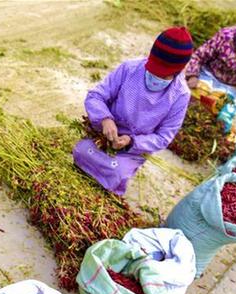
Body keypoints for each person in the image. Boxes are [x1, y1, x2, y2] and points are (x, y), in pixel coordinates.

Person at [73, 27, 194, 195]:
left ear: (178, 71)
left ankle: (111, 187)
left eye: (164, 75)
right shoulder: (129, 69)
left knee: (116, 171)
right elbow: (96, 96)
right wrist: (105, 119)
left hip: (133, 148)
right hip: (105, 133)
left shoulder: (180, 95)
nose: (156, 77)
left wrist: (131, 142)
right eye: (153, 70)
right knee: (81, 150)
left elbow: (163, 137)